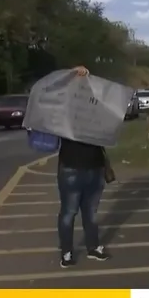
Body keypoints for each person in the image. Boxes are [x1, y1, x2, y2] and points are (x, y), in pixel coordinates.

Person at [57, 65, 110, 267]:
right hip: (71, 166)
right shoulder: (64, 107)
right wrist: (72, 73)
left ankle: (93, 247)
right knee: (69, 212)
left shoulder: (97, 107)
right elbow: (53, 90)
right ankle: (67, 252)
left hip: (95, 166)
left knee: (91, 213)